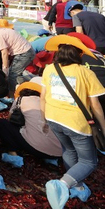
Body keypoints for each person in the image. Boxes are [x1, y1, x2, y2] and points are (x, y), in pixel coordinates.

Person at [40, 36, 105, 208]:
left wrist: (44, 118)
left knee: (68, 150)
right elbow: (96, 106)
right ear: (78, 54)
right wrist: (104, 128)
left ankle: (76, 185)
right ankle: (62, 185)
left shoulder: (49, 69)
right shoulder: (85, 72)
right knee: (89, 161)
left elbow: (43, 97)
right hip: (76, 123)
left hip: (53, 117)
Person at [0, 78, 61, 168]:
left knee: (2, 124)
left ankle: (13, 154)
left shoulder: (21, 99)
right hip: (59, 152)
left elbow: (10, 119)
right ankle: (51, 159)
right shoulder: (50, 103)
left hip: (36, 148)